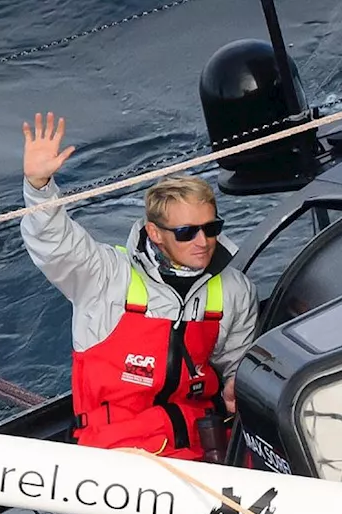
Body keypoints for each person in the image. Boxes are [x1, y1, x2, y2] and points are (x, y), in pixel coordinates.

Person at [19, 112, 258, 460]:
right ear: (155, 233)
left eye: (211, 227)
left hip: (207, 447)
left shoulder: (234, 289)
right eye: (186, 232)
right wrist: (39, 189)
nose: (203, 241)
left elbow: (236, 363)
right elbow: (55, 244)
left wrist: (240, 384)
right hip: (118, 457)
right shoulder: (105, 276)